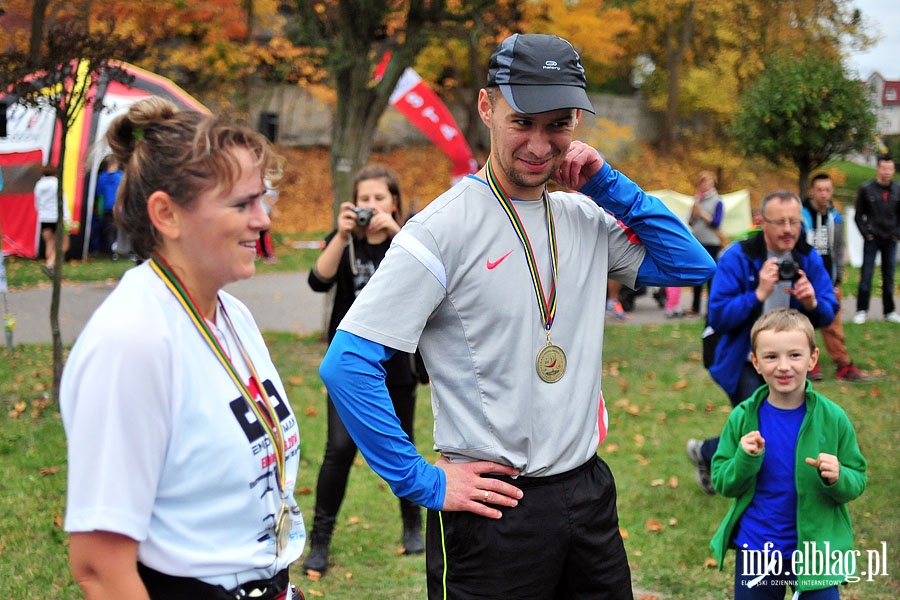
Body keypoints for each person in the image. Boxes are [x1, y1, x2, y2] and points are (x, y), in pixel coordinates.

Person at [318, 33, 716, 599]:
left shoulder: (584, 214)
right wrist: (421, 480)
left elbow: (690, 265)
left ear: (578, 120)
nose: (538, 143)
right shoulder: (440, 229)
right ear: (487, 108)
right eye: (522, 121)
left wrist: (610, 185)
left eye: (558, 124)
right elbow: (347, 364)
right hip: (493, 509)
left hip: (586, 492)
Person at [60, 97, 306, 599]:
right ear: (167, 214)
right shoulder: (132, 342)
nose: (263, 221)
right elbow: (99, 569)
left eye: (264, 200)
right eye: (242, 204)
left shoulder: (233, 315)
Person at [303, 165, 424, 576]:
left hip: (397, 367)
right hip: (350, 368)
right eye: (363, 199)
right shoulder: (346, 243)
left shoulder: (408, 241)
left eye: (378, 199)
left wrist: (394, 231)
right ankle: (319, 542)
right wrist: (340, 234)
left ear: (393, 202)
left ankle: (412, 526)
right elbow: (317, 281)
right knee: (338, 450)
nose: (370, 207)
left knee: (401, 443)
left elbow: (430, 274)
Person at [687, 190, 839, 495]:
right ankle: (726, 468)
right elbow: (718, 315)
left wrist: (812, 303)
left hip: (788, 359)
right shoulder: (738, 256)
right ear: (762, 223)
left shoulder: (807, 257)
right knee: (761, 426)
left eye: (794, 222)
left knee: (776, 423)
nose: (788, 230)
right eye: (779, 222)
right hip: (742, 359)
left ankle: (706, 452)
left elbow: (828, 310)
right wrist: (759, 292)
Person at [710, 308, 867, 598]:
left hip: (816, 551)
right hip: (758, 550)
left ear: (813, 359)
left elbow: (857, 479)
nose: (783, 366)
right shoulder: (743, 418)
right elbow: (722, 482)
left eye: (794, 355)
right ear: (756, 362)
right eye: (771, 357)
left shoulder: (833, 418)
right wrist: (744, 459)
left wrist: (839, 476)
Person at [802, 173, 864, 381]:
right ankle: (808, 363)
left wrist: (838, 279)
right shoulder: (802, 216)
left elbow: (838, 249)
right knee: (803, 323)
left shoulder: (835, 218)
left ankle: (843, 365)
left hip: (828, 280)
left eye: (828, 190)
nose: (824, 194)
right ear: (812, 191)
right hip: (805, 279)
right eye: (819, 190)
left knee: (833, 321)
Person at [852, 154, 900, 324]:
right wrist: (867, 234)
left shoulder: (898, 189)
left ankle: (889, 311)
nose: (887, 172)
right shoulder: (866, 189)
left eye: (890, 168)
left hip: (890, 239)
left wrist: (897, 234)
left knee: (889, 276)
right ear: (878, 168)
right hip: (872, 239)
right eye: (883, 168)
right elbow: (858, 216)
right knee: (866, 274)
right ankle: (861, 310)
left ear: (893, 170)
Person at [688, 170, 725, 316]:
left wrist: (702, 213)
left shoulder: (718, 202)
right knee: (696, 275)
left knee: (710, 276)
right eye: (702, 183)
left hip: (711, 242)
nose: (705, 186)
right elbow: (690, 222)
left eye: (708, 182)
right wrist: (694, 213)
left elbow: (717, 222)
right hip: (697, 242)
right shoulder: (696, 201)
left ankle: (711, 309)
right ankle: (695, 307)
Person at [33, 164, 70, 278]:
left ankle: (50, 266)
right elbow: (62, 201)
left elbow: (37, 204)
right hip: (56, 217)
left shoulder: (38, 185)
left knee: (49, 243)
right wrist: (67, 218)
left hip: (44, 218)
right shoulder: (56, 184)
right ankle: (50, 265)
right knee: (64, 244)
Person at [94, 156, 123, 254]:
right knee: (119, 229)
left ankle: (112, 251)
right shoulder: (120, 176)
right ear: (117, 164)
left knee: (109, 229)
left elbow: (98, 192)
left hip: (106, 207)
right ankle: (120, 249)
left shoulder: (102, 177)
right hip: (119, 207)